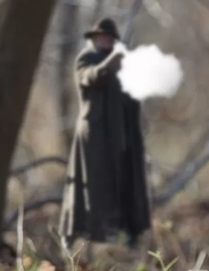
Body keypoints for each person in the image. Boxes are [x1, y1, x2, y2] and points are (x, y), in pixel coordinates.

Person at [60, 18, 152, 248]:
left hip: (120, 135)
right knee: (89, 187)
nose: (105, 40)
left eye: (109, 38)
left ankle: (127, 232)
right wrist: (111, 63)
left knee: (125, 182)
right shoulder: (86, 58)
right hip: (95, 136)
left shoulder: (124, 63)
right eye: (101, 36)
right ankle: (74, 235)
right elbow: (89, 77)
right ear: (93, 38)